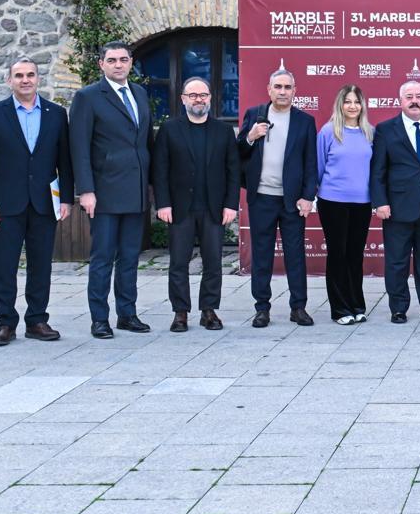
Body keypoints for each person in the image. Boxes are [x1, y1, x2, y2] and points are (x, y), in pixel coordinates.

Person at [0, 56, 73, 346]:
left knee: (41, 264)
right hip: (5, 205)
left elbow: (64, 161)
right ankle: (6, 322)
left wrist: (66, 198)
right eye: (19, 75)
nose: (25, 80)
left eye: (30, 74)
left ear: (38, 79)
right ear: (9, 81)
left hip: (44, 203)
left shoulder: (56, 114)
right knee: (4, 265)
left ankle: (37, 320)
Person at [70, 41, 152, 339]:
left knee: (130, 256)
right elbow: (79, 148)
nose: (118, 65)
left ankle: (127, 314)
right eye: (112, 60)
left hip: (136, 190)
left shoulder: (140, 93)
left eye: (124, 60)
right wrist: (86, 190)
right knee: (103, 256)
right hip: (103, 192)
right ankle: (99, 319)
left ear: (131, 63)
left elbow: (144, 143)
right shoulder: (88, 97)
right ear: (101, 64)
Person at [152, 77, 239, 333]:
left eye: (203, 94)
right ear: (183, 99)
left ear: (211, 98)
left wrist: (231, 204)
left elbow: (233, 171)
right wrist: (163, 203)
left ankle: (209, 311)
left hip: (214, 208)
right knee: (179, 262)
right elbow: (160, 170)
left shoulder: (223, 131)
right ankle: (180, 312)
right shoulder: (169, 129)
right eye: (193, 95)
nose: (198, 99)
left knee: (213, 262)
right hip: (180, 208)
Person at [238, 68, 319, 328]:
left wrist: (308, 196)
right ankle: (262, 308)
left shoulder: (304, 121)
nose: (282, 92)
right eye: (278, 87)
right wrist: (251, 136)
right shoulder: (255, 115)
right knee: (262, 255)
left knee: (295, 255)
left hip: (292, 201)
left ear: (295, 91)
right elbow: (238, 151)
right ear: (269, 90)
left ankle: (299, 307)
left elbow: (310, 162)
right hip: (261, 197)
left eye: (287, 87)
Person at [369, 80, 420, 324]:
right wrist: (380, 202)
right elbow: (377, 171)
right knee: (397, 260)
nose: (414, 100)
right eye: (409, 96)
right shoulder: (385, 129)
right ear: (400, 101)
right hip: (397, 207)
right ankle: (398, 307)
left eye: (419, 96)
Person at [316, 85, 374, 325]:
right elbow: (318, 167)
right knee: (338, 255)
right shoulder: (329, 132)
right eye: (347, 101)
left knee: (355, 255)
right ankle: (340, 309)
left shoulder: (370, 132)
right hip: (333, 202)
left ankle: (357, 305)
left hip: (362, 202)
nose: (352, 106)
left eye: (357, 102)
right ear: (340, 105)